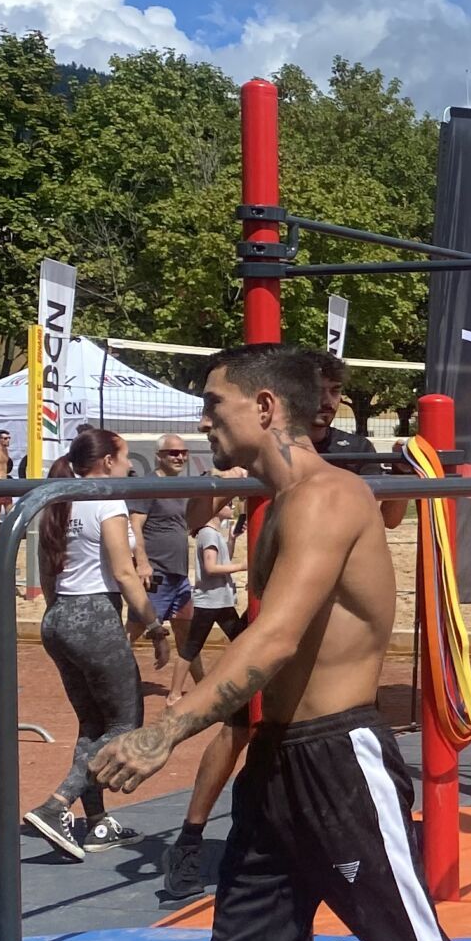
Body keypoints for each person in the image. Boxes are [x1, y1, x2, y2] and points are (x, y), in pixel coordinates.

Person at [51, 342, 471, 941]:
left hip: (342, 762)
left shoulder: (331, 499)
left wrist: (162, 732)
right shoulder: (271, 507)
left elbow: (275, 640)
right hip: (278, 763)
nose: (203, 422)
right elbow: (261, 649)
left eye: (213, 405)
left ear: (266, 407)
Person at [160, 353, 360, 904]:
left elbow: (277, 638)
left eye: (336, 391)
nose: (328, 401)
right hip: (279, 703)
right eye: (323, 389)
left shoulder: (334, 475)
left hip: (332, 736)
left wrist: (167, 729)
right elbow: (200, 519)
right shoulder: (270, 478)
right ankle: (192, 835)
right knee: (241, 725)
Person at [23, 427, 154, 861]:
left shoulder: (59, 498)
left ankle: (96, 822)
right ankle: (56, 805)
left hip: (58, 616)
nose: (131, 464)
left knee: (92, 725)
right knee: (124, 723)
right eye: (125, 456)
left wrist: (58, 614)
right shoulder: (105, 499)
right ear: (107, 463)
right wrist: (153, 625)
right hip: (94, 614)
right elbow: (123, 571)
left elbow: (46, 569)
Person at [173, 497, 248, 701]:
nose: (231, 507)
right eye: (227, 504)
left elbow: (223, 561)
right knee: (191, 647)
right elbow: (211, 567)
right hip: (210, 602)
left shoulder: (214, 534)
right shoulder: (208, 534)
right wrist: (242, 567)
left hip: (221, 601)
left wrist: (232, 539)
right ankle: (174, 694)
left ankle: (238, 684)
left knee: (241, 639)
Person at [136, 436, 198, 669]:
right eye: (173, 452)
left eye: (183, 452)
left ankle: (197, 687)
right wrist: (142, 564)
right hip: (157, 574)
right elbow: (135, 526)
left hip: (179, 573)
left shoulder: (180, 486)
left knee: (187, 636)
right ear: (159, 456)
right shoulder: (148, 485)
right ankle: (109, 684)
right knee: (133, 632)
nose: (180, 456)